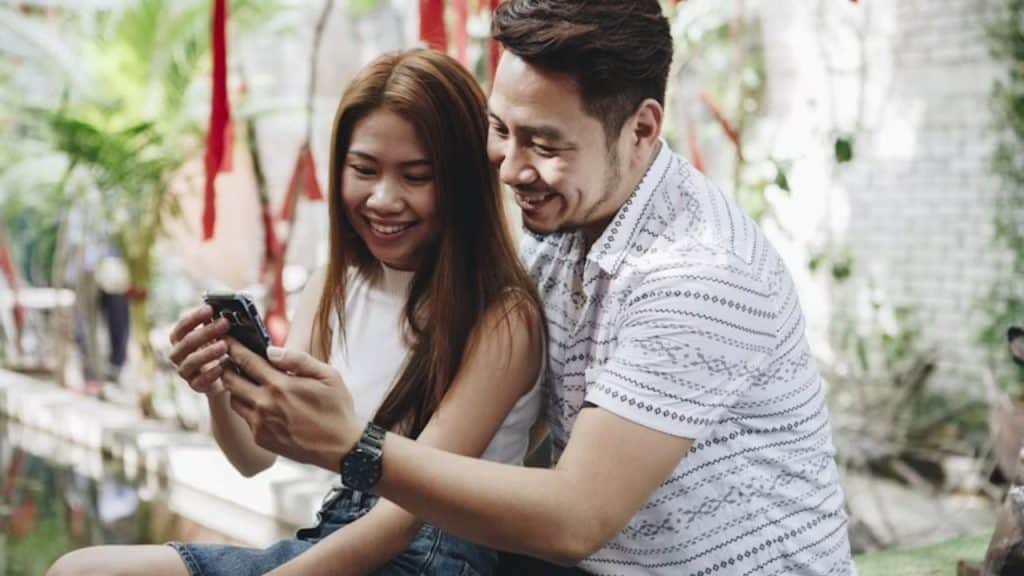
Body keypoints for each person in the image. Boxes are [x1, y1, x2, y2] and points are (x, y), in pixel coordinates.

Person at [215, 1, 858, 575]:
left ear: (640, 129)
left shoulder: (699, 276)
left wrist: (355, 446)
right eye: (501, 130)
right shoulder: (560, 224)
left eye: (545, 143)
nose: (513, 167)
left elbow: (576, 517)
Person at [47, 48, 545, 576]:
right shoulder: (333, 285)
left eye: (417, 176)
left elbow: (404, 518)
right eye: (364, 169)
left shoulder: (504, 318)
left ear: (463, 182)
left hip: (432, 555)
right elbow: (253, 458)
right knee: (80, 568)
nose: (383, 198)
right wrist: (217, 385)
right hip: (335, 537)